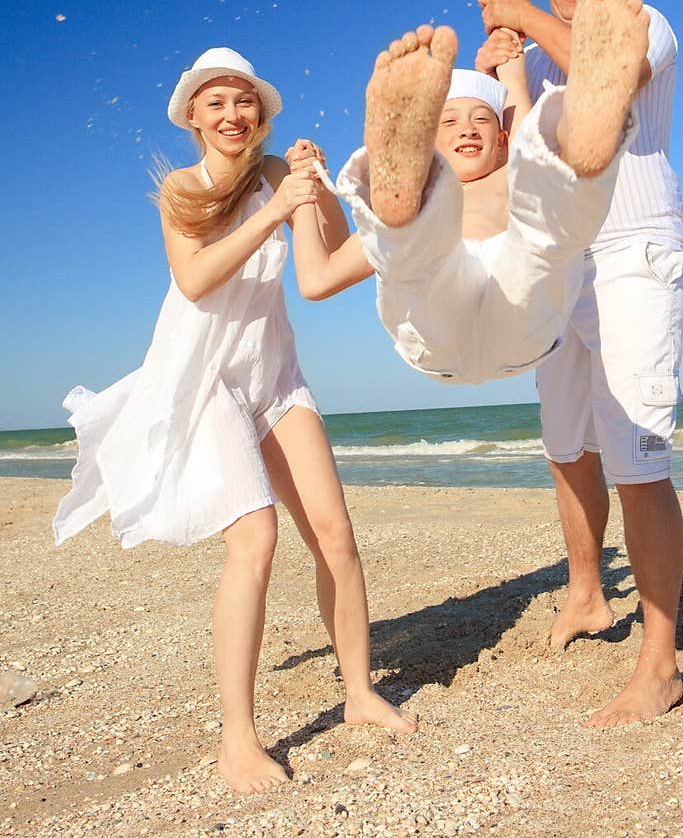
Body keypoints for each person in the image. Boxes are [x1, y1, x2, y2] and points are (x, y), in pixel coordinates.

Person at [53, 46, 417, 795]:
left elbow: (320, 275)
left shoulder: (280, 174)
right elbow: (193, 279)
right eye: (215, 103)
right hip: (204, 380)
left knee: (337, 536)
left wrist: (321, 192)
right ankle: (238, 739)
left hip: (275, 377)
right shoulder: (182, 190)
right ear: (193, 116)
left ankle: (357, 693)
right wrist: (274, 215)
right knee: (256, 538)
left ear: (262, 112)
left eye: (243, 101)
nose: (231, 114)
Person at [476, 0, 683, 728]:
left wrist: (521, 16)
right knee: (566, 443)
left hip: (636, 249)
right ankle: (587, 595)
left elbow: (608, 77)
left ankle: (659, 664)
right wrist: (501, 70)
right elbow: (507, 158)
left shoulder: (647, 21)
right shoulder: (532, 51)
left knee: (636, 453)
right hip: (561, 262)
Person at [289, 0, 648, 389]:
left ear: (500, 141)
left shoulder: (512, 174)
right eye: (448, 120)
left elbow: (515, 98)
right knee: (411, 249)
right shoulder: (426, 204)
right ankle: (400, 202)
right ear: (428, 141)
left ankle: (584, 133)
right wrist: (303, 193)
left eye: (481, 120)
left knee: (546, 215)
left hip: (521, 316)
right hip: (439, 326)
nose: (468, 129)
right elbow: (317, 280)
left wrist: (510, 26)